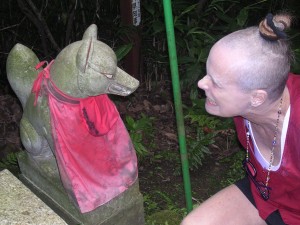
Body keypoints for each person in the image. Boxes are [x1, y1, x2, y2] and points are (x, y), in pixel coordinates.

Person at [181, 12, 300, 225]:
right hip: (268, 196)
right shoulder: (246, 106)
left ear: (257, 98)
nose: (201, 83)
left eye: (215, 82)